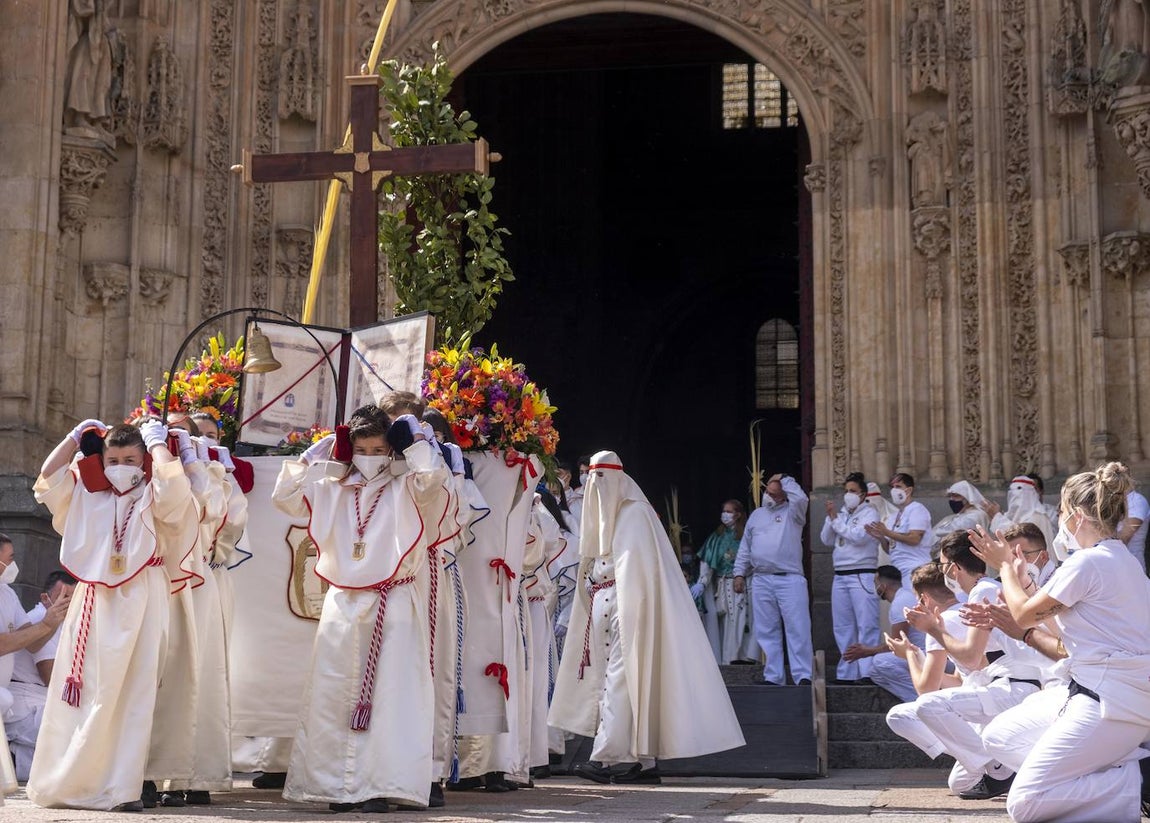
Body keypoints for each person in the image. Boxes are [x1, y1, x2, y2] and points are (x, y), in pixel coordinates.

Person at [272, 406, 450, 812]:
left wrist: (418, 443)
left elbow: (433, 482)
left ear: (391, 451)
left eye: (378, 449)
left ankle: (378, 786)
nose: (370, 456)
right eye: (362, 449)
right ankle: (338, 786)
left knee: (391, 696)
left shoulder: (406, 485)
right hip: (343, 602)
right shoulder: (334, 487)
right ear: (349, 450)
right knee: (334, 694)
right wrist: (306, 460)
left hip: (394, 599)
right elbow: (284, 500)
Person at [29, 419, 197, 811]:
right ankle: (76, 777)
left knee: (136, 689)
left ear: (143, 461)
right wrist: (74, 438)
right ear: (101, 460)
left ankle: (122, 788)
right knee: (89, 686)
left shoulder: (154, 490)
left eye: (130, 459)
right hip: (96, 599)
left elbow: (177, 492)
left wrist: (159, 445)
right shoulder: (88, 492)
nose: (121, 465)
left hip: (143, 595)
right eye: (113, 459)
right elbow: (47, 478)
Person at [969, 462, 1150, 823]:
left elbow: (1022, 617)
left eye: (1064, 512)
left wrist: (1004, 567)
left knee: (1024, 804)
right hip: (1102, 693)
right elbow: (1063, 627)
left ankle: (1136, 783)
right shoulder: (1119, 561)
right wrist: (1030, 585)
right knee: (1002, 738)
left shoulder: (1090, 562)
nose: (1061, 520)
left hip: (1108, 701)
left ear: (1079, 516)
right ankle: (1113, 780)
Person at [550, 451, 744, 784]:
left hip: (630, 615)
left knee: (620, 684)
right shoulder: (605, 513)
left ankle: (606, 757)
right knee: (624, 685)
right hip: (608, 610)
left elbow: (635, 573)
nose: (592, 485)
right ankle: (642, 762)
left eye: (600, 477)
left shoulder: (634, 513)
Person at [895, 532, 1043, 800]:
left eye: (942, 565)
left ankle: (999, 767)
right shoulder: (982, 589)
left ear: (953, 567)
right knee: (960, 784)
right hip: (1000, 686)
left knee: (928, 705)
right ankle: (1000, 764)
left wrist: (935, 630)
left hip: (1015, 687)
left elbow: (971, 658)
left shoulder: (982, 590)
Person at [733, 473, 812, 686]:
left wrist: (785, 479)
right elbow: (745, 548)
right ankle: (774, 676)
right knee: (767, 630)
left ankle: (803, 675)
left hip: (789, 578)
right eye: (768, 491)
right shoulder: (757, 515)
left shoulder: (794, 513)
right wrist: (739, 572)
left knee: (797, 627)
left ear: (783, 495)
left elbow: (801, 498)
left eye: (775, 493)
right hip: (761, 578)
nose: (770, 496)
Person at [7, 570, 77, 782]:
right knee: (69, 733)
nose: (68, 604)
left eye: (73, 598)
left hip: (41, 699)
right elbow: (50, 676)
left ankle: (14, 756)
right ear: (46, 598)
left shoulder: (66, 622)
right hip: (25, 701)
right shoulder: (39, 619)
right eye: (63, 597)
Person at [819, 472, 880, 683]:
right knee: (843, 625)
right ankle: (847, 671)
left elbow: (858, 538)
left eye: (853, 491)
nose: (848, 495)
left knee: (866, 623)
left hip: (862, 574)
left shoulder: (870, 514)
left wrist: (836, 521)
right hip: (841, 575)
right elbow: (826, 539)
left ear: (863, 494)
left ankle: (867, 671)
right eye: (846, 491)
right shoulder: (842, 513)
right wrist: (831, 518)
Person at [846, 565, 925, 702]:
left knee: (880, 662)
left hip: (925, 655)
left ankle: (921, 699)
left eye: (875, 583)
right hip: (920, 654)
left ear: (882, 585)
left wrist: (868, 651)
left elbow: (897, 643)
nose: (875, 588)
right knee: (875, 673)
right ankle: (914, 697)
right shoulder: (904, 597)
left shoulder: (900, 602)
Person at [697, 499, 757, 665]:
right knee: (725, 623)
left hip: (742, 584)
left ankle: (741, 656)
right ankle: (726, 659)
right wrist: (703, 581)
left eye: (729, 511)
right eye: (724, 511)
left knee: (741, 621)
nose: (725, 515)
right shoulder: (717, 537)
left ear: (738, 514)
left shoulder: (746, 535)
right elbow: (707, 561)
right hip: (722, 585)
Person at [864, 474, 933, 585]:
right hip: (898, 570)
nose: (894, 490)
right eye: (892, 487)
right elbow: (890, 549)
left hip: (915, 568)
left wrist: (887, 532)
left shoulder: (917, 509)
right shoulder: (894, 516)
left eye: (898, 486)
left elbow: (914, 539)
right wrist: (881, 537)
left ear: (909, 490)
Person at [983, 475, 1056, 550]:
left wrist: (997, 517)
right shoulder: (1008, 516)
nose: (1015, 495)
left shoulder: (1037, 516)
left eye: (1019, 489)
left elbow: (1020, 538)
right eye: (1012, 490)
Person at [1119, 484, 1150, 575]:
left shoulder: (1136, 501)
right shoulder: (1110, 502)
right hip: (1112, 568)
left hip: (1132, 569)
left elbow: (1123, 539)